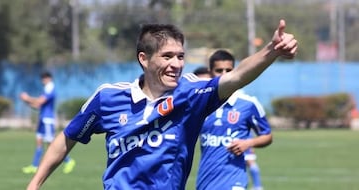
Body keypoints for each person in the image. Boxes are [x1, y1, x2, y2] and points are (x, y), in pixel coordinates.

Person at [26, 19, 297, 190]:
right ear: (144, 59)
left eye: (180, 56)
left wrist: (271, 51)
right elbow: (68, 138)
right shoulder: (108, 98)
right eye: (167, 56)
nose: (176, 64)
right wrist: (35, 184)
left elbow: (236, 76)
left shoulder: (192, 94)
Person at [195, 50, 272, 190]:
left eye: (229, 70)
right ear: (210, 72)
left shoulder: (248, 104)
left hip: (234, 181)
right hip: (205, 181)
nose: (225, 75)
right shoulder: (200, 103)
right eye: (219, 70)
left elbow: (267, 136)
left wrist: (248, 143)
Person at [20, 71, 76, 174]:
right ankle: (34, 166)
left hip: (47, 120)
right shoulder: (46, 89)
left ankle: (69, 161)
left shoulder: (50, 88)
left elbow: (39, 102)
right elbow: (37, 105)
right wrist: (27, 101)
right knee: (39, 142)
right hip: (42, 118)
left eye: (45, 78)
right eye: (42, 78)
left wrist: (27, 98)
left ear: (49, 78)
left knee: (52, 143)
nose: (43, 80)